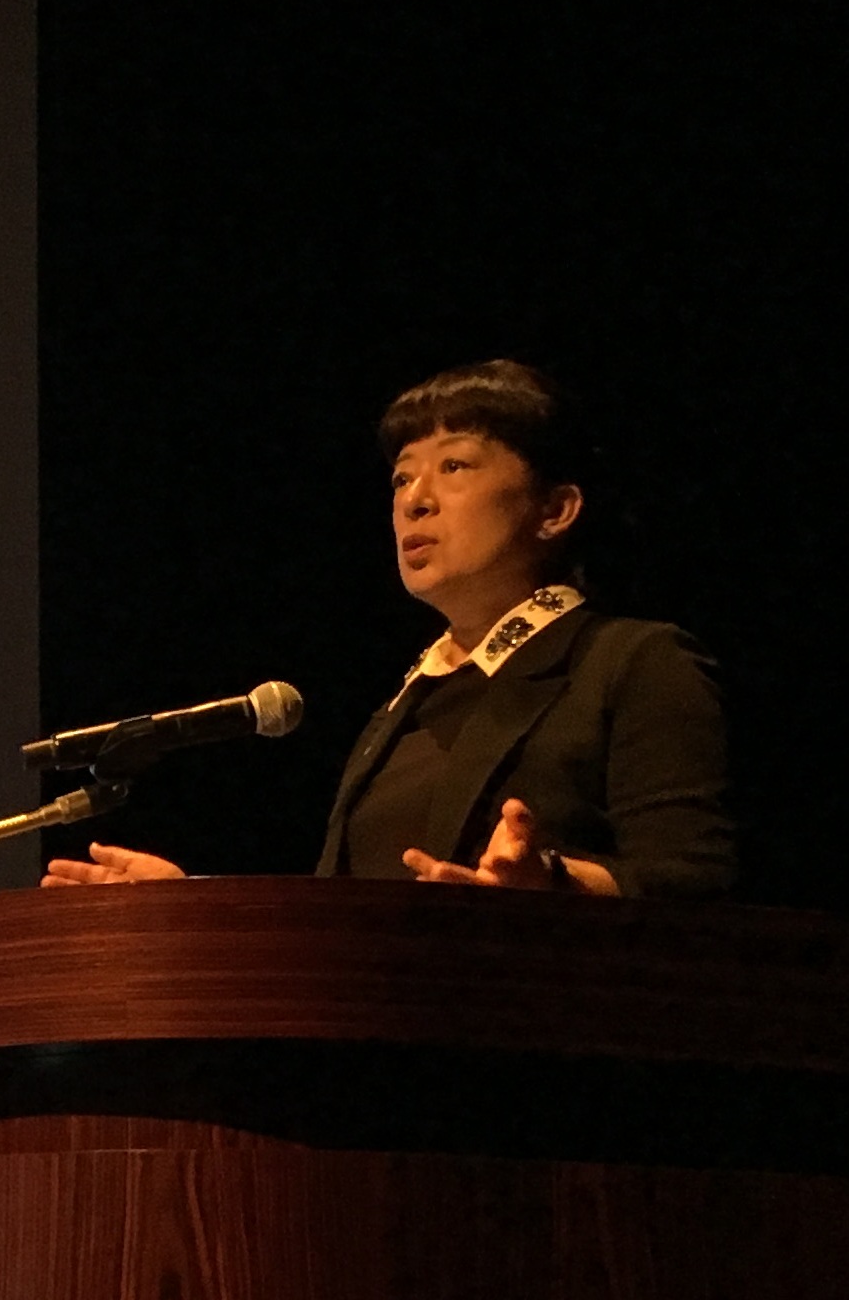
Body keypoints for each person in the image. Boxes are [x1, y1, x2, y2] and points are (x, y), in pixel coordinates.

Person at [45, 359, 732, 900]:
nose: (415, 500)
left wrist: (551, 883)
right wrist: (192, 910)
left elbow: (693, 882)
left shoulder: (632, 661)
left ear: (554, 509)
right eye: (402, 479)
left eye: (454, 466)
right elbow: (347, 918)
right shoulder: (409, 700)